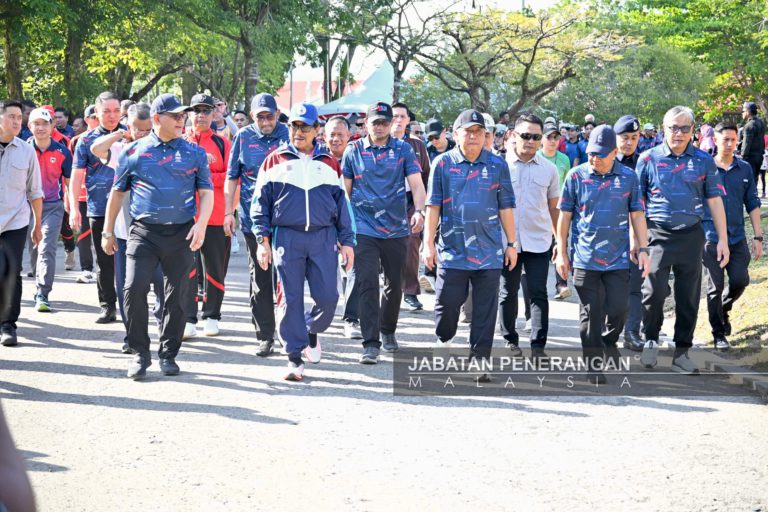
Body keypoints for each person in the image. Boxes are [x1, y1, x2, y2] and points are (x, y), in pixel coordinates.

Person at [103, 93, 213, 380]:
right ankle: (140, 352)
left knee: (177, 296)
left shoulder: (194, 153)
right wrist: (107, 230)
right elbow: (117, 194)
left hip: (181, 232)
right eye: (175, 116)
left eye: (183, 116)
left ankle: (168, 353)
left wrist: (200, 224)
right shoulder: (133, 152)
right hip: (143, 232)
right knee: (133, 289)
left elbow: (206, 192)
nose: (182, 120)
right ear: (156, 119)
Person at [251, 102, 355, 381]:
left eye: (305, 126)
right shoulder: (274, 160)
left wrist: (347, 241)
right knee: (290, 298)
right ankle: (294, 358)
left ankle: (310, 331)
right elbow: (260, 204)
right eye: (294, 125)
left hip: (323, 238)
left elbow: (343, 206)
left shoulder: (329, 163)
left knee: (329, 298)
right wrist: (262, 240)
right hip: (287, 237)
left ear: (316, 130)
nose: (298, 131)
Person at [423, 109, 517, 379]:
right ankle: (444, 339)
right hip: (453, 250)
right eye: (468, 131)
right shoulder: (443, 164)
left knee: (485, 310)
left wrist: (511, 242)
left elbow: (506, 206)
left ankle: (480, 360)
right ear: (456, 134)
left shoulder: (497, 165)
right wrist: (428, 243)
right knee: (447, 304)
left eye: (479, 132)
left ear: (485, 136)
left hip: (488, 251)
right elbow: (433, 205)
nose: (474, 136)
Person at [637, 106, 729, 375]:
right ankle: (651, 338)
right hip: (657, 235)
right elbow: (636, 204)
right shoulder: (648, 159)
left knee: (688, 297)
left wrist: (722, 239)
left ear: (693, 131)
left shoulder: (703, 161)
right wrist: (637, 239)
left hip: (691, 235)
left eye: (684, 128)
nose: (678, 133)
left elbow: (714, 200)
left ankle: (682, 352)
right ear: (663, 128)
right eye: (673, 128)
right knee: (653, 293)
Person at [556, 125, 650, 384]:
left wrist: (643, 248)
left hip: (617, 258)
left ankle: (609, 341)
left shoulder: (629, 177)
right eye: (590, 153)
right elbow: (564, 216)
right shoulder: (576, 176)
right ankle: (593, 365)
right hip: (585, 259)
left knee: (619, 309)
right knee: (590, 313)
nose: (593, 158)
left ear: (613, 152)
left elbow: (638, 215)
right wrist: (561, 252)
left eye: (599, 154)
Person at [342, 101, 426, 364]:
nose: (379, 126)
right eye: (375, 121)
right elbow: (344, 192)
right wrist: (343, 228)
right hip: (363, 227)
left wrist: (420, 211)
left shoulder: (403, 150)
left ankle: (387, 330)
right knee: (367, 282)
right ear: (366, 123)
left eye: (384, 122)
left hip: (396, 228)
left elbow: (417, 184)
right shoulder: (353, 150)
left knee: (394, 283)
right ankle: (370, 343)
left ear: (391, 124)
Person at [89, 102, 162, 354]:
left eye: (146, 129)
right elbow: (96, 148)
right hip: (124, 234)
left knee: (163, 286)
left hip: (157, 234)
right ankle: (132, 337)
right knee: (127, 290)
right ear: (128, 126)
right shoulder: (120, 149)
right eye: (136, 129)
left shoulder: (161, 150)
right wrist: (120, 133)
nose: (141, 134)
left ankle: (164, 328)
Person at [224, 93, 289, 357]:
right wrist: (229, 213)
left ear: (277, 114)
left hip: (287, 220)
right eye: (260, 116)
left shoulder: (289, 133)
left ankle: (290, 331)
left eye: (269, 116)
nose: (265, 121)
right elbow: (232, 177)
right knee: (261, 277)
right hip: (253, 220)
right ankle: (265, 335)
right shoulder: (242, 137)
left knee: (288, 277)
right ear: (253, 117)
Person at [500, 113, 560, 359]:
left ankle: (538, 346)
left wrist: (560, 242)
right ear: (513, 136)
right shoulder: (498, 166)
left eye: (536, 137)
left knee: (538, 293)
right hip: (507, 241)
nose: (531, 141)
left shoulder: (550, 170)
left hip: (538, 240)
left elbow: (554, 208)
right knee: (508, 291)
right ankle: (510, 340)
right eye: (525, 135)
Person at [702, 122, 763, 351]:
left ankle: (724, 308)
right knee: (714, 287)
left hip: (737, 237)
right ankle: (718, 334)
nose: (729, 144)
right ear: (715, 140)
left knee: (740, 280)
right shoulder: (704, 167)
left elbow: (753, 203)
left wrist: (758, 237)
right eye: (725, 139)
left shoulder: (745, 168)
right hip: (710, 238)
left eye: (733, 140)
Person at [69, 91, 123, 324]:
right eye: (106, 111)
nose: (112, 116)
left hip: (131, 208)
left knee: (133, 260)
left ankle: (134, 304)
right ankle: (107, 306)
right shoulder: (86, 140)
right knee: (105, 261)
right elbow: (76, 176)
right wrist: (73, 208)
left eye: (116, 111)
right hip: (99, 207)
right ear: (97, 113)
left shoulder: (130, 135)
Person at [182, 93, 232, 338]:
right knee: (186, 269)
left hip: (215, 216)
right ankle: (188, 317)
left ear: (214, 114)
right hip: (185, 217)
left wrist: (204, 179)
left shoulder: (223, 143)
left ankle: (212, 315)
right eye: (196, 111)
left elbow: (232, 179)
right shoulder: (180, 141)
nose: (200, 115)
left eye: (206, 111)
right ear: (189, 114)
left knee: (214, 268)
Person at [0, 100, 44, 347]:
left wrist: (37, 225)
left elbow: (34, 191)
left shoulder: (27, 151)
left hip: (15, 221)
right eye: (12, 117)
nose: (18, 122)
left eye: (20, 117)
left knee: (11, 271)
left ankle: (8, 324)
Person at [27, 108, 72, 312]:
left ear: (52, 126)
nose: (41, 128)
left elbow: (69, 180)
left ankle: (42, 292)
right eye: (36, 124)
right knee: (34, 248)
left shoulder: (62, 151)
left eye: (45, 124)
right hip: (25, 207)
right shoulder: (23, 149)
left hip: (53, 206)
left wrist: (71, 206)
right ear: (30, 127)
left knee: (46, 248)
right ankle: (38, 281)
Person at [391, 102, 430, 312]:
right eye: (394, 116)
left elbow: (425, 176)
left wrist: (421, 208)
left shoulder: (417, 145)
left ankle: (411, 291)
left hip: (409, 199)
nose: (397, 120)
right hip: (383, 201)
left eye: (402, 116)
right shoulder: (378, 141)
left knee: (411, 245)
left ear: (408, 120)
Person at [538, 121, 571, 300]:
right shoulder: (536, 156)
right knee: (544, 249)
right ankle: (539, 287)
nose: (552, 140)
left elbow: (566, 185)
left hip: (559, 210)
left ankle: (562, 284)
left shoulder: (564, 159)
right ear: (542, 139)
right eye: (549, 137)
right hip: (539, 211)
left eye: (556, 137)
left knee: (561, 244)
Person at [68, 105, 99, 284]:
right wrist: (69, 199)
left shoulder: (114, 137)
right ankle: (87, 268)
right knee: (83, 234)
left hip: (104, 195)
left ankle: (111, 269)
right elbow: (71, 173)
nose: (96, 119)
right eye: (93, 117)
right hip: (81, 195)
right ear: (87, 119)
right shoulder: (77, 141)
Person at [739, 101, 766, 193]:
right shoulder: (761, 123)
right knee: (754, 179)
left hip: (750, 158)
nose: (742, 113)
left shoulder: (749, 126)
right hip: (759, 157)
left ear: (748, 112)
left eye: (743, 111)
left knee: (747, 182)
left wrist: (742, 158)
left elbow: (746, 144)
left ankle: (751, 202)